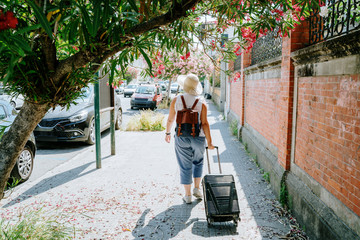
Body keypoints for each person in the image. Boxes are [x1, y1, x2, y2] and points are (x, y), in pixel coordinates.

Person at [165, 73, 214, 204]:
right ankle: (197, 189)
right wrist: (210, 142)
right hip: (198, 138)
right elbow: (204, 123)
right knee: (198, 162)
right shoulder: (202, 102)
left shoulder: (176, 100)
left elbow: (170, 119)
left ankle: (187, 196)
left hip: (181, 137)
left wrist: (167, 133)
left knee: (185, 165)